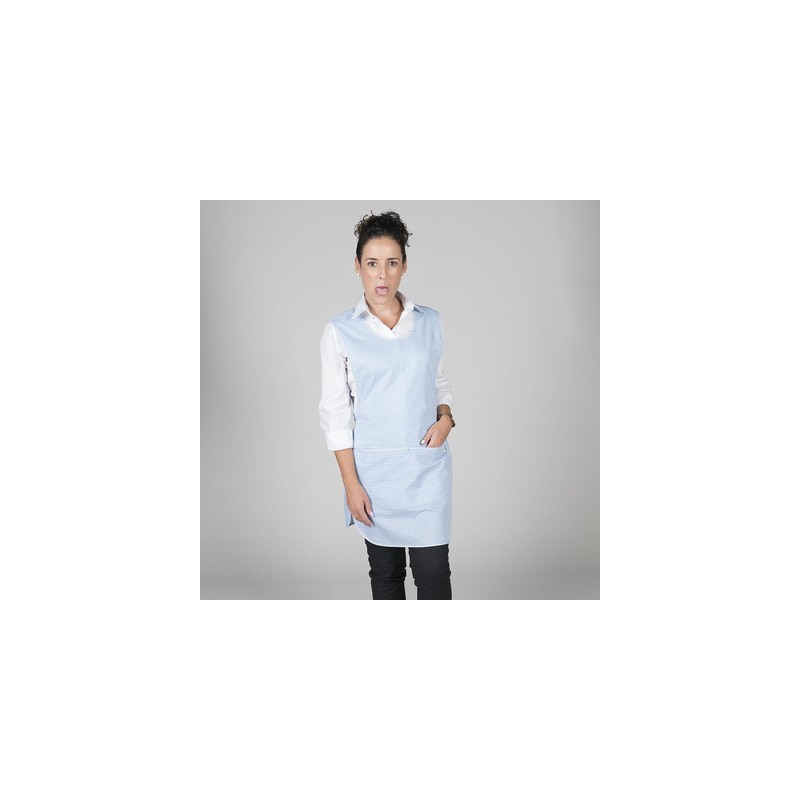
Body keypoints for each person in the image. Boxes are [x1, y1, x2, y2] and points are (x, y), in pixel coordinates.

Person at [319, 211, 456, 600]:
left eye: (392, 263)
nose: (382, 275)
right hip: (374, 475)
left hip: (426, 470)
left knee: (434, 573)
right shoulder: (340, 331)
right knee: (386, 574)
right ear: (357, 266)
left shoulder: (429, 321)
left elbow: (438, 383)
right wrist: (351, 485)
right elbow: (335, 415)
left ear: (404, 266)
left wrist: (446, 418)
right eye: (372, 263)